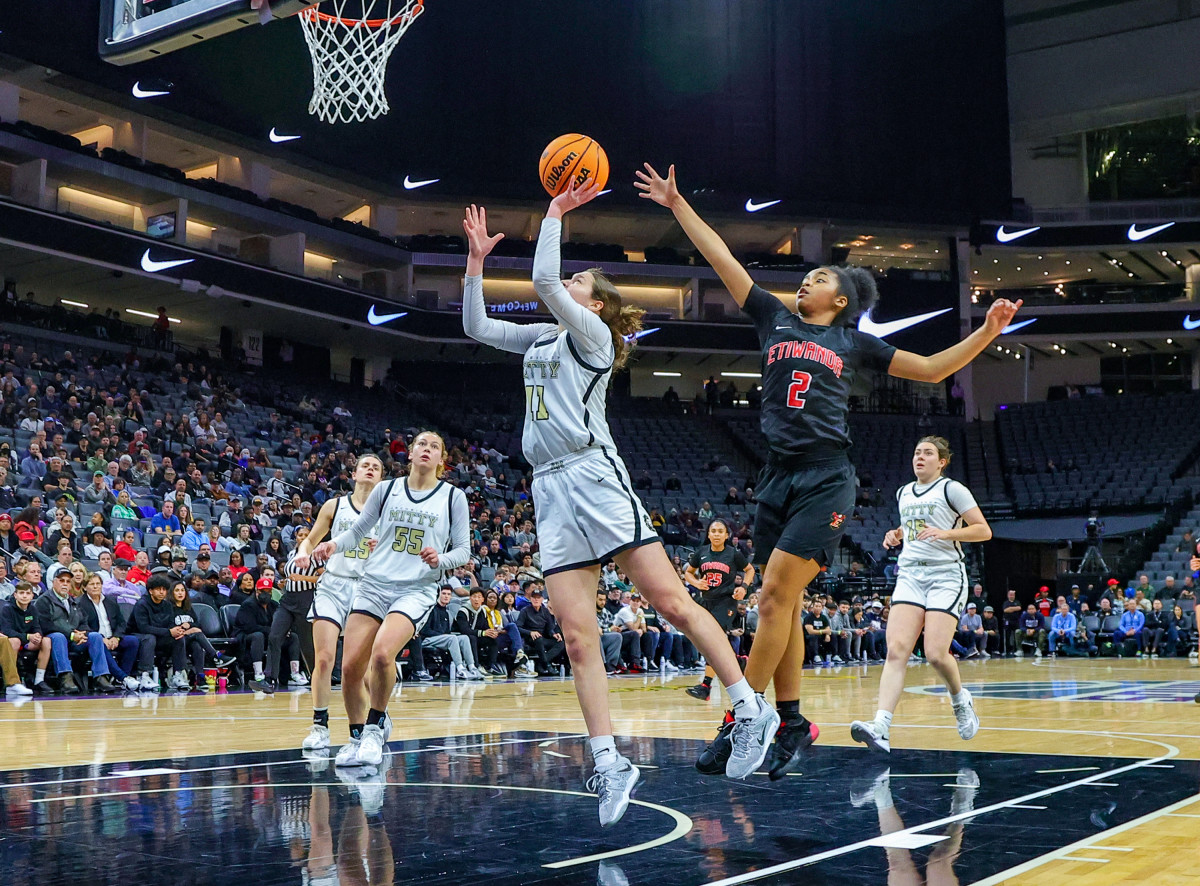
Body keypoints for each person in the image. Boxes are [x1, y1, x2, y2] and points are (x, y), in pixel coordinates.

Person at [636, 163, 1021, 778]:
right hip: (776, 476)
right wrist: (678, 204)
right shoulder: (772, 318)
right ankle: (790, 720)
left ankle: (744, 719)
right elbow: (721, 258)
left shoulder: (854, 343)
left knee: (770, 600)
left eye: (815, 276)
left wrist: (987, 331)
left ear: (838, 300)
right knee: (781, 606)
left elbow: (931, 369)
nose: (804, 280)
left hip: (825, 477)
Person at [460, 195, 777, 826]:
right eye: (572, 277)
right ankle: (609, 762)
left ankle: (748, 707)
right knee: (579, 641)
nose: (567, 283)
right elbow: (476, 327)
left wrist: (553, 210)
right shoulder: (542, 340)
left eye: (581, 281)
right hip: (548, 488)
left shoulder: (593, 336)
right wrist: (473, 264)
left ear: (596, 304)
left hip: (593, 476)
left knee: (673, 603)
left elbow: (545, 281)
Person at [303, 431, 471, 770]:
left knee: (382, 654)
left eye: (434, 446)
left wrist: (442, 559)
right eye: (421, 444)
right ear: (410, 453)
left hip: (416, 588)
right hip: (373, 584)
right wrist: (334, 545)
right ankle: (355, 737)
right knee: (350, 668)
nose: (427, 450)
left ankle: (376, 728)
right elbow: (359, 530)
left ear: (442, 460)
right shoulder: (387, 489)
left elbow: (464, 550)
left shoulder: (453, 497)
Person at [849, 437, 991, 754]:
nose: (920, 457)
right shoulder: (903, 493)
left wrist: (947, 533)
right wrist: (896, 534)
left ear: (942, 461)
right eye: (916, 452)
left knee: (936, 654)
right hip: (911, 575)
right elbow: (910, 527)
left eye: (928, 453)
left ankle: (960, 699)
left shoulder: (952, 490)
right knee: (896, 650)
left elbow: (983, 530)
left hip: (945, 575)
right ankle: (881, 727)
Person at [292, 454, 383, 755]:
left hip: (366, 589)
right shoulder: (335, 506)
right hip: (333, 584)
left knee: (360, 669)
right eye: (365, 466)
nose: (370, 469)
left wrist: (380, 547)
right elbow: (310, 539)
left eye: (376, 467)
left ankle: (374, 721)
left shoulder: (386, 512)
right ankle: (320, 727)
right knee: (323, 659)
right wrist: (303, 553)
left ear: (381, 478)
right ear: (354, 473)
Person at [683, 518, 755, 700]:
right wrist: (696, 582)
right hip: (706, 601)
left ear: (726, 535)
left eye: (720, 531)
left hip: (726, 602)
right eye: (713, 531)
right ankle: (737, 660)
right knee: (707, 640)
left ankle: (706, 685)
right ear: (708, 534)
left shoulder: (733, 554)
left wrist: (744, 587)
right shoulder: (701, 553)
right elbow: (688, 573)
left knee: (712, 639)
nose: (716, 534)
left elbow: (750, 570)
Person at [78, 572, 142, 691]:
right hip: (94, 640)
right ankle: (123, 677)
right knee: (99, 643)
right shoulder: (80, 603)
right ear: (85, 587)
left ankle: (121, 678)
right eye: (92, 584)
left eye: (98, 584)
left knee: (133, 641)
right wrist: (102, 638)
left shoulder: (110, 601)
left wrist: (116, 637)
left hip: (112, 638)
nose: (95, 586)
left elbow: (121, 623)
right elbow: (83, 626)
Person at [168, 580, 230, 689]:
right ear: (172, 593)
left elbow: (196, 623)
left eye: (182, 590)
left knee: (197, 645)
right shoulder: (168, 608)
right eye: (177, 590)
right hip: (175, 639)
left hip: (188, 638)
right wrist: (186, 630)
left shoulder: (188, 607)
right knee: (197, 635)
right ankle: (216, 656)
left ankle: (200, 677)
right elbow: (169, 626)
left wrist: (190, 625)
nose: (180, 593)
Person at [233, 577, 283, 692]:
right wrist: (271, 630)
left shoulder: (274, 605)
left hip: (266, 636)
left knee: (292, 637)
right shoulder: (248, 605)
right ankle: (259, 675)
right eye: (262, 591)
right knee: (258, 635)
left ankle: (294, 673)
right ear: (257, 591)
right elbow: (249, 627)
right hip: (246, 637)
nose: (265, 594)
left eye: (268, 591)